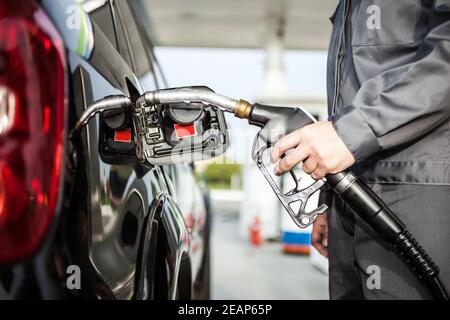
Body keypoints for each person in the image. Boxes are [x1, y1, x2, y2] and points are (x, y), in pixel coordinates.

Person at [271, 0, 450, 299]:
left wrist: (351, 133)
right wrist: (329, 201)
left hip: (418, 195)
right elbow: (347, 97)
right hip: (349, 200)